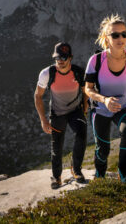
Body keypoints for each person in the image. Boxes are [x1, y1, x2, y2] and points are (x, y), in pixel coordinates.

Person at [85, 14, 126, 184]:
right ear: (107, 37)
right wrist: (104, 100)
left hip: (124, 106)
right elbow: (88, 89)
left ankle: (124, 174)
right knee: (103, 148)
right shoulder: (96, 60)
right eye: (115, 35)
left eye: (124, 34)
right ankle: (100, 175)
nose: (121, 38)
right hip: (101, 108)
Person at [34, 42, 88, 189]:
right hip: (57, 113)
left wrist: (86, 106)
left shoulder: (78, 72)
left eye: (64, 57)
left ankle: (76, 170)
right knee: (57, 145)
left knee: (82, 134)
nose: (60, 61)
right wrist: (43, 120)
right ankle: (56, 176)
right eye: (58, 57)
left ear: (70, 58)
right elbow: (37, 96)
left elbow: (86, 90)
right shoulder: (47, 73)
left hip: (75, 110)